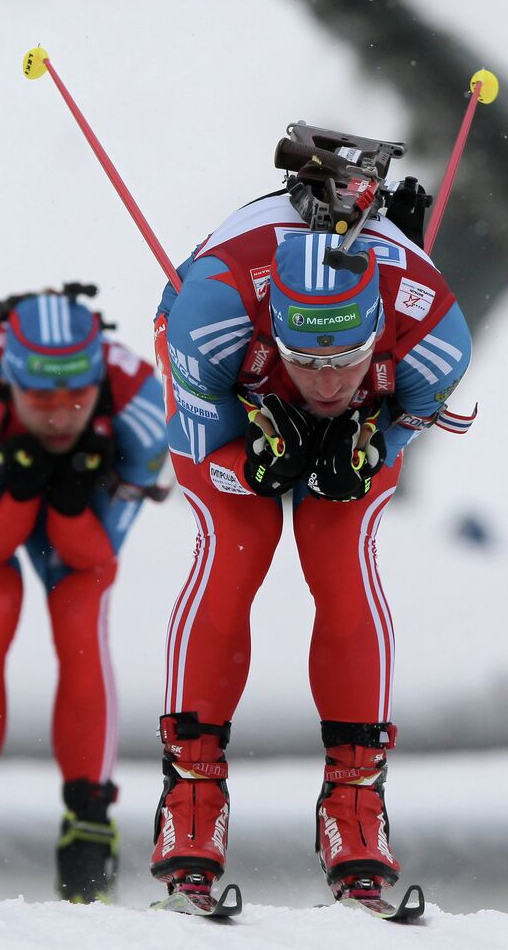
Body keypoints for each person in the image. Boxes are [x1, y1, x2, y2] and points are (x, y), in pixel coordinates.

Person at [149, 183, 472, 905]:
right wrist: (254, 462)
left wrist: (367, 445)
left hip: (337, 390)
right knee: (237, 545)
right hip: (235, 389)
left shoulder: (435, 337)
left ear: (379, 331)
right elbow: (197, 447)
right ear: (276, 332)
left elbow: (405, 429)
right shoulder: (212, 319)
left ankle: (356, 803)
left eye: (346, 359)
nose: (326, 384)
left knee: (341, 551)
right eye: (308, 360)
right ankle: (191, 795)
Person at [0, 284, 168, 904]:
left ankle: (89, 824)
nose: (60, 414)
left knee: (82, 621)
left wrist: (66, 498)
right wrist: (24, 489)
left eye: (78, 396)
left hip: (72, 521)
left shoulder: (140, 405)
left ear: (98, 380)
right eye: (40, 397)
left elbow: (95, 558)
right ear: (9, 380)